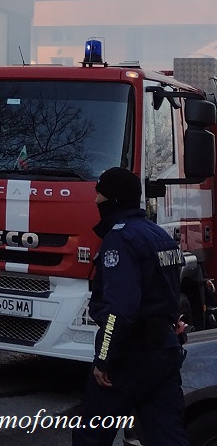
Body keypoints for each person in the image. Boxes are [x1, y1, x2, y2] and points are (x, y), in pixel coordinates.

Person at [72, 167, 188, 446]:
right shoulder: (159, 235)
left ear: (113, 199)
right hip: (164, 352)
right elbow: (169, 294)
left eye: (99, 194)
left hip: (129, 357)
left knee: (90, 436)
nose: (95, 200)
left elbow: (119, 311)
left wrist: (104, 359)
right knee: (168, 437)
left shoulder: (120, 239)